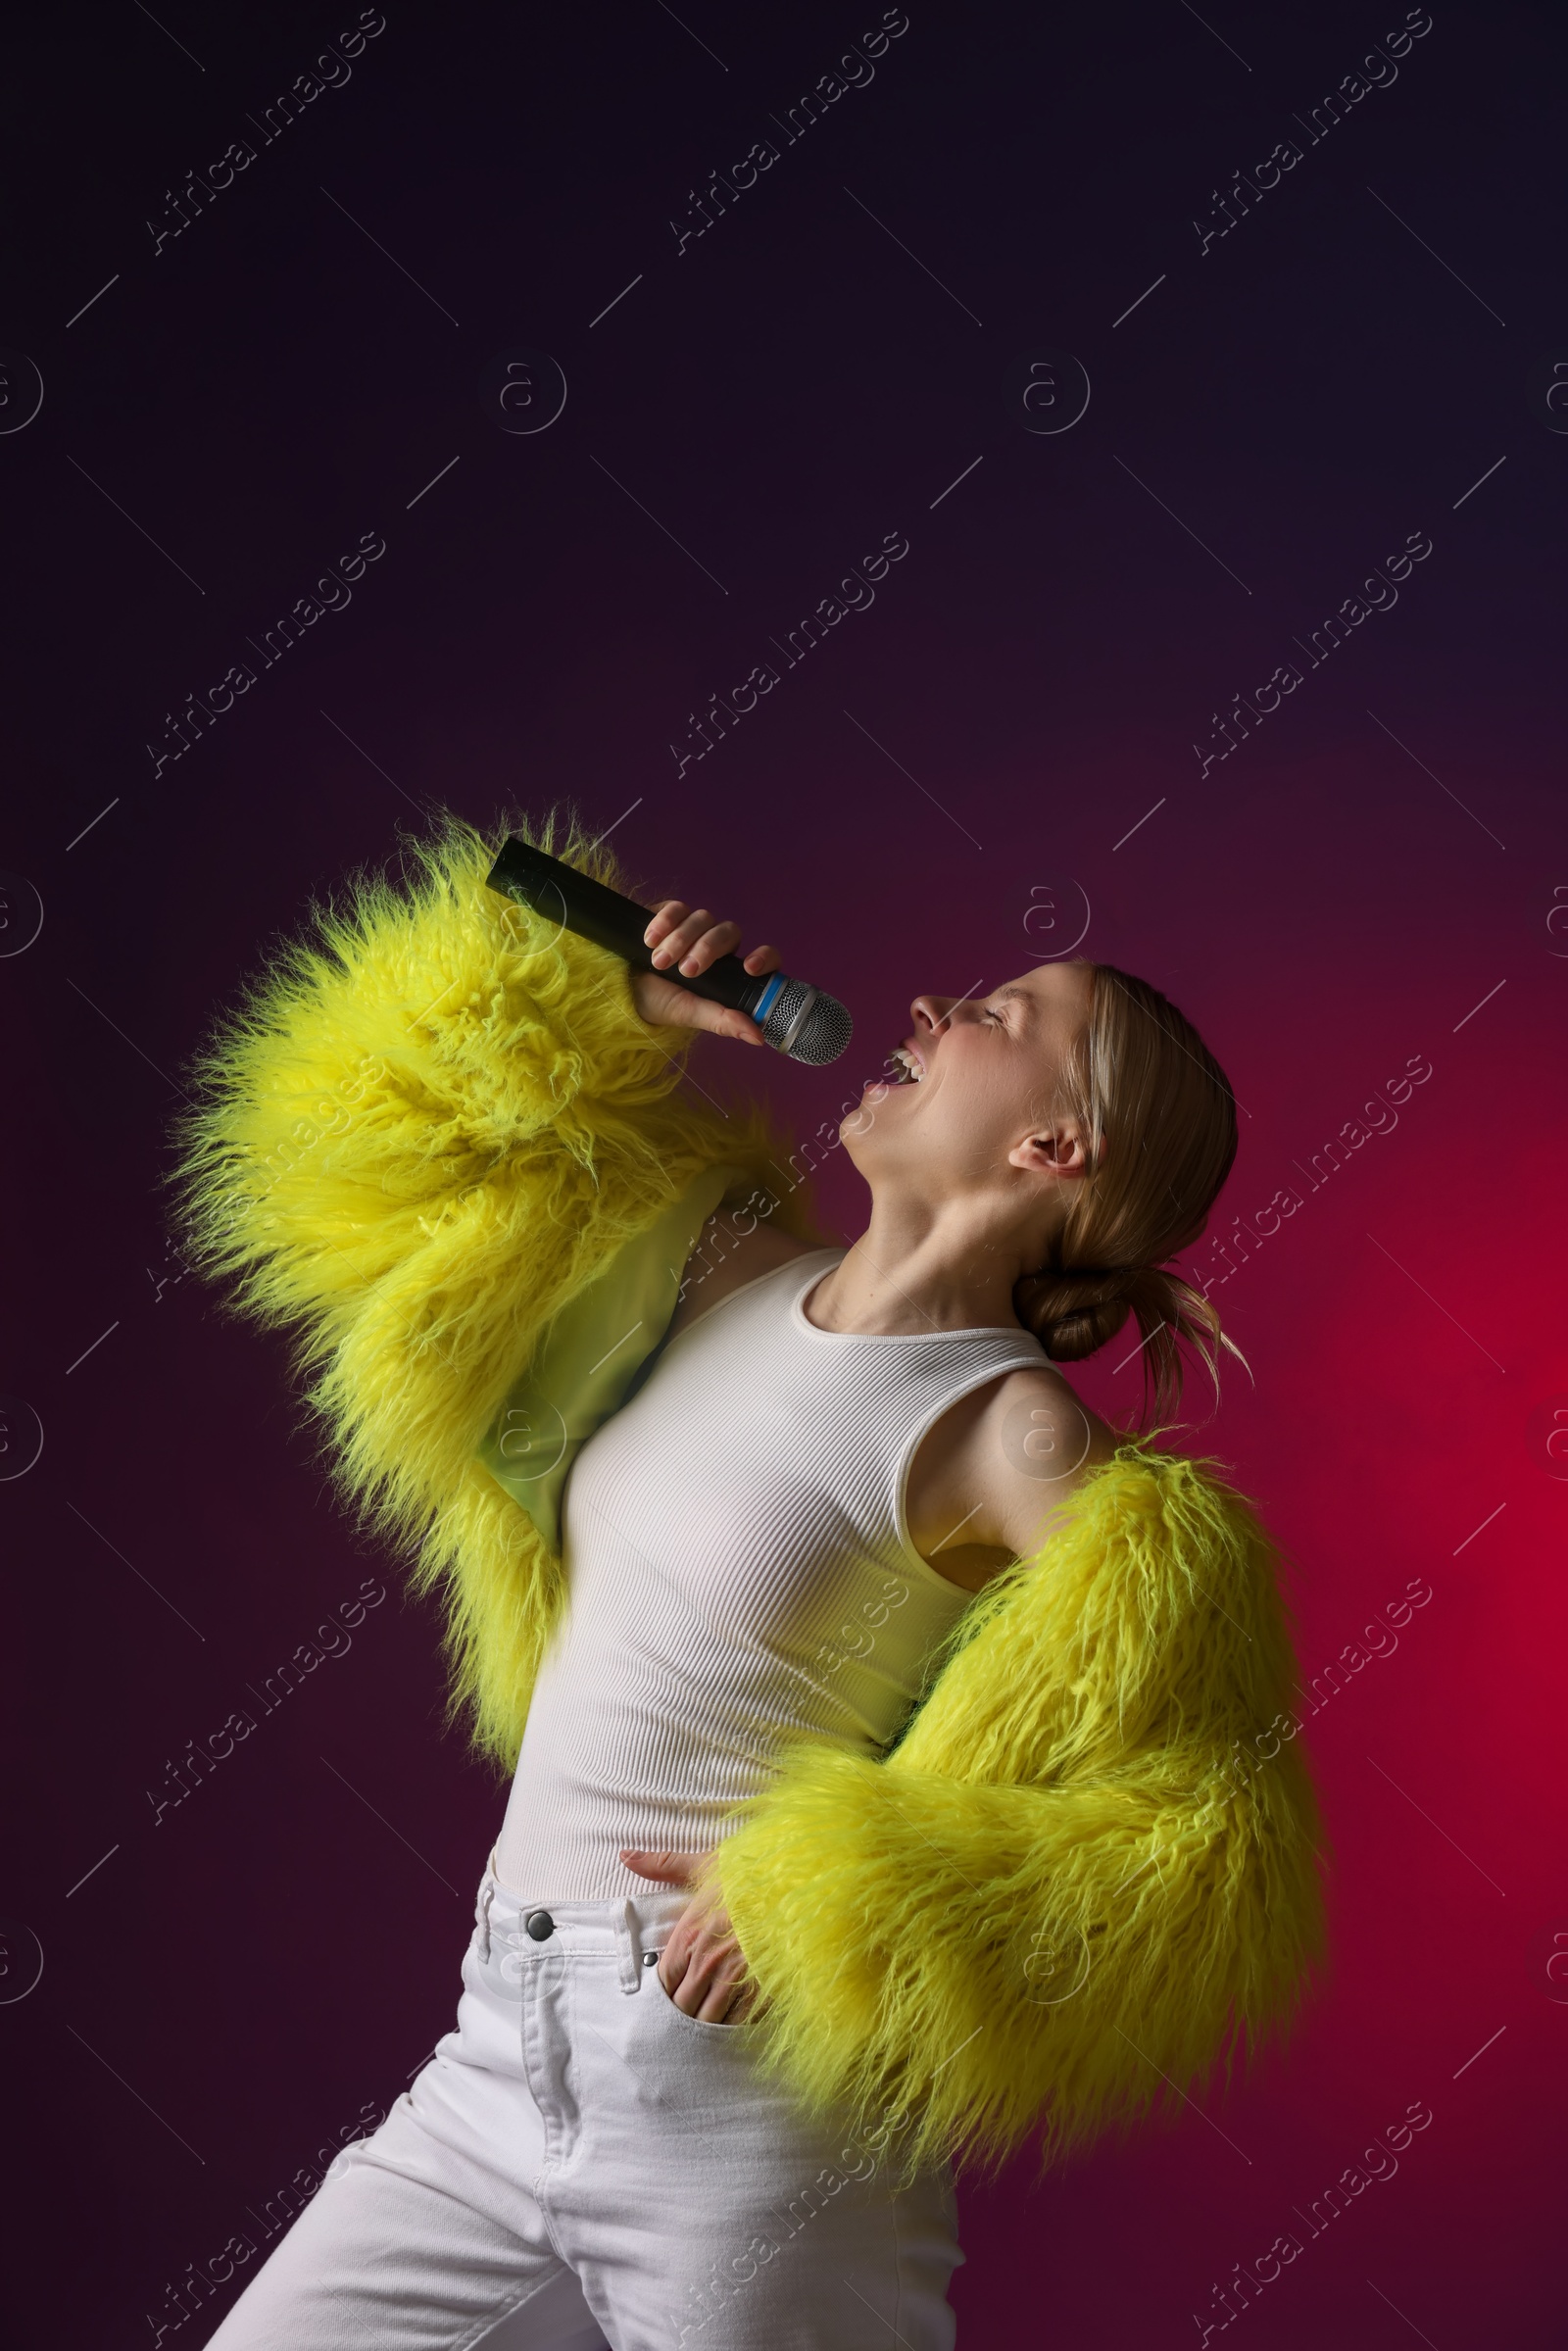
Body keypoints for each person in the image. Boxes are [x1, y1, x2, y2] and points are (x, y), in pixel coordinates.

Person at [177, 810, 1323, 2350]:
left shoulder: (1010, 1431)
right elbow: (362, 1165)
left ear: (1055, 1149)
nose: (930, 1011)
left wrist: (827, 1895)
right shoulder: (714, 1258)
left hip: (743, 2104)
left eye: (996, 1019)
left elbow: (1196, 1821)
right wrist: (605, 1007)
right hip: (498, 2040)